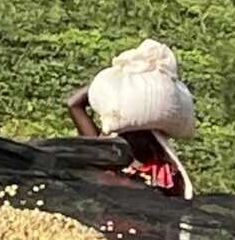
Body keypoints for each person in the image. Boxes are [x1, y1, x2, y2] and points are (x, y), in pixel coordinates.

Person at [66, 39, 197, 200]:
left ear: (151, 139)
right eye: (124, 134)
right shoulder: (106, 158)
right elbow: (73, 104)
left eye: (136, 134)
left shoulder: (163, 172)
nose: (127, 139)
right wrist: (114, 83)